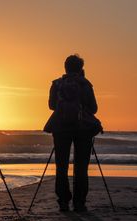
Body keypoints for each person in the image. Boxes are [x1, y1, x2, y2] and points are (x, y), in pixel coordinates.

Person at [44, 54, 101, 212]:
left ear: (65, 67)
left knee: (61, 166)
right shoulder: (85, 84)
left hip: (61, 128)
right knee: (81, 167)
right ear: (81, 68)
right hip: (83, 128)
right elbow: (94, 108)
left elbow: (51, 105)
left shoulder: (57, 84)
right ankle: (79, 202)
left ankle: (63, 201)